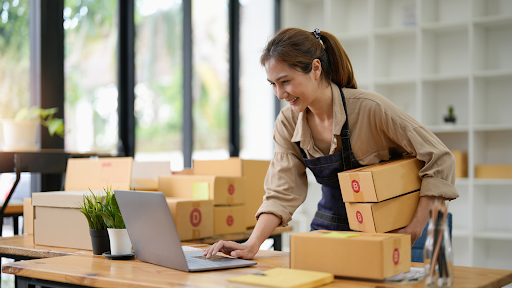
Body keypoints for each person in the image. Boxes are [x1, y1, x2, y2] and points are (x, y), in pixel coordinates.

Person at [204, 28, 459, 260]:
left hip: (396, 227)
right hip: (331, 224)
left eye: (285, 81)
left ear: (316, 69)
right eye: (273, 84)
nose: (280, 94)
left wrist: (413, 229)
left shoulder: (370, 108)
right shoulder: (287, 122)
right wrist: (252, 244)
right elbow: (282, 191)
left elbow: (440, 158)